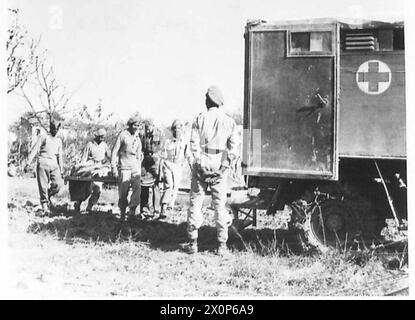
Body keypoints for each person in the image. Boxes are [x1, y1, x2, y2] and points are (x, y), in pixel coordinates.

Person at [186, 86, 237, 255]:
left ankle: (193, 242)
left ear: (209, 101)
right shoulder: (229, 121)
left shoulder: (199, 119)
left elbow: (193, 145)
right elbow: (233, 149)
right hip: (219, 163)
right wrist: (223, 169)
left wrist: (199, 166)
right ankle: (222, 245)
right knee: (220, 206)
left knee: (196, 203)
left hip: (203, 161)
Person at [26, 121, 64, 215]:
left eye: (57, 128)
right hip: (43, 162)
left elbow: (60, 156)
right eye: (53, 128)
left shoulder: (59, 141)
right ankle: (45, 207)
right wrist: (28, 163)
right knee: (43, 186)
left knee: (58, 184)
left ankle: (48, 196)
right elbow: (35, 149)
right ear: (50, 128)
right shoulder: (44, 137)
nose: (55, 130)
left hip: (54, 164)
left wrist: (62, 170)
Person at [111, 117, 143, 221]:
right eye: (134, 125)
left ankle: (132, 212)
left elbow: (139, 153)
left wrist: (139, 166)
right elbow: (115, 151)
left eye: (138, 126)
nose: (136, 127)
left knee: (137, 189)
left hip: (134, 167)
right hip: (124, 166)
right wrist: (113, 167)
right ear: (129, 125)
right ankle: (122, 213)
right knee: (123, 191)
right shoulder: (123, 135)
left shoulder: (137, 137)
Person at [159, 119, 192, 218]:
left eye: (179, 129)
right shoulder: (167, 141)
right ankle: (163, 207)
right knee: (169, 185)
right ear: (172, 130)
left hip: (178, 166)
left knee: (175, 187)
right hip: (168, 164)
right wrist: (160, 169)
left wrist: (193, 168)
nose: (177, 131)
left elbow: (188, 156)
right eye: (175, 129)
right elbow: (163, 156)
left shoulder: (184, 143)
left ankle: (169, 207)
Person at [73, 128, 111, 213]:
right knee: (86, 189)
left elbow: (109, 156)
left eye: (103, 137)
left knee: (97, 189)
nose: (102, 139)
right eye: (100, 137)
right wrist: (81, 168)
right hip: (90, 166)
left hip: (100, 168)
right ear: (96, 136)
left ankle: (89, 207)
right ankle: (78, 203)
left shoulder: (104, 145)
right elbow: (84, 158)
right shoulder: (90, 145)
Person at [139, 120, 163, 216]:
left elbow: (162, 148)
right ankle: (144, 209)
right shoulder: (143, 135)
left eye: (149, 127)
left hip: (155, 161)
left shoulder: (159, 134)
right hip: (145, 160)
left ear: (153, 126)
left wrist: (157, 157)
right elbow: (140, 147)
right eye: (146, 127)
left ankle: (156, 210)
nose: (147, 129)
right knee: (143, 185)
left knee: (156, 186)